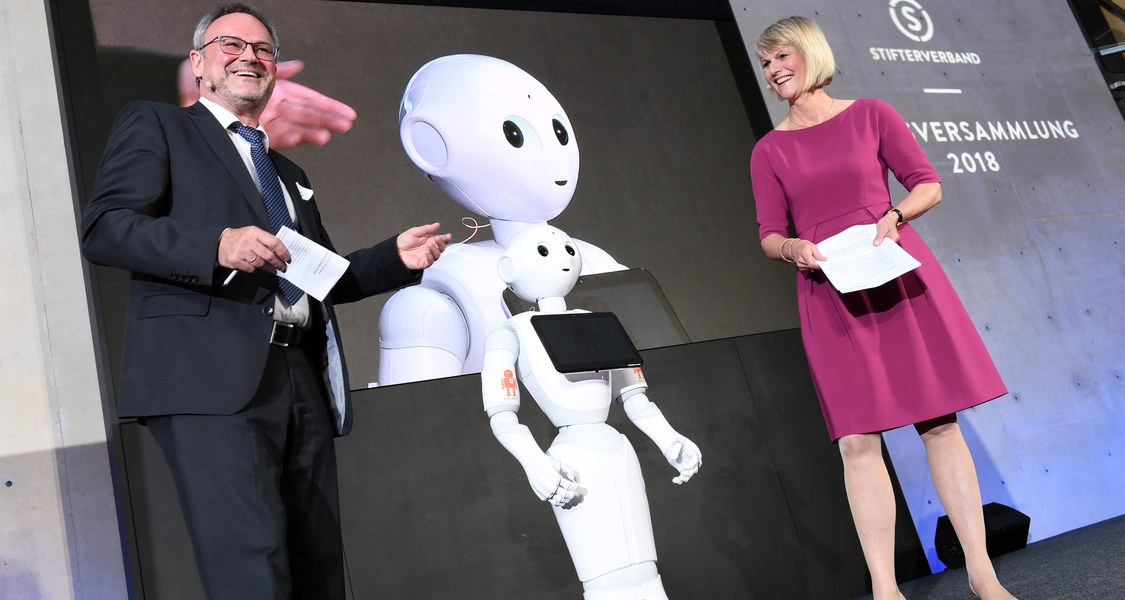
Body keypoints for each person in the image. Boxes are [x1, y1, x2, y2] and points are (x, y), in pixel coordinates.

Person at [79, 4, 450, 599]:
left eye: (264, 50)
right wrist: (216, 244)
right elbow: (107, 229)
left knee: (318, 562)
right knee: (251, 567)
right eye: (231, 45)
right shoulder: (159, 124)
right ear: (197, 64)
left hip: (298, 372)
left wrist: (392, 259)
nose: (250, 56)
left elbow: (317, 275)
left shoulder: (285, 170)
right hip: (210, 376)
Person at [749, 16, 1016, 600]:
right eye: (765, 63)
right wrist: (794, 248)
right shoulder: (769, 150)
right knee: (857, 442)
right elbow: (769, 233)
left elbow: (927, 184)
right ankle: (885, 589)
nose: (772, 71)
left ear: (811, 54)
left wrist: (894, 217)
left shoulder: (872, 114)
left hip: (895, 276)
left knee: (940, 423)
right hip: (830, 293)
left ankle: (982, 572)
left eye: (781, 56)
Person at [480, 224, 701, 600]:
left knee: (645, 573)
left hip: (618, 451)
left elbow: (634, 397)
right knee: (604, 579)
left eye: (566, 248)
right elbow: (502, 414)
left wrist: (670, 438)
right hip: (572, 463)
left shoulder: (598, 322)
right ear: (507, 268)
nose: (564, 258)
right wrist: (534, 462)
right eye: (545, 251)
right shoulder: (510, 332)